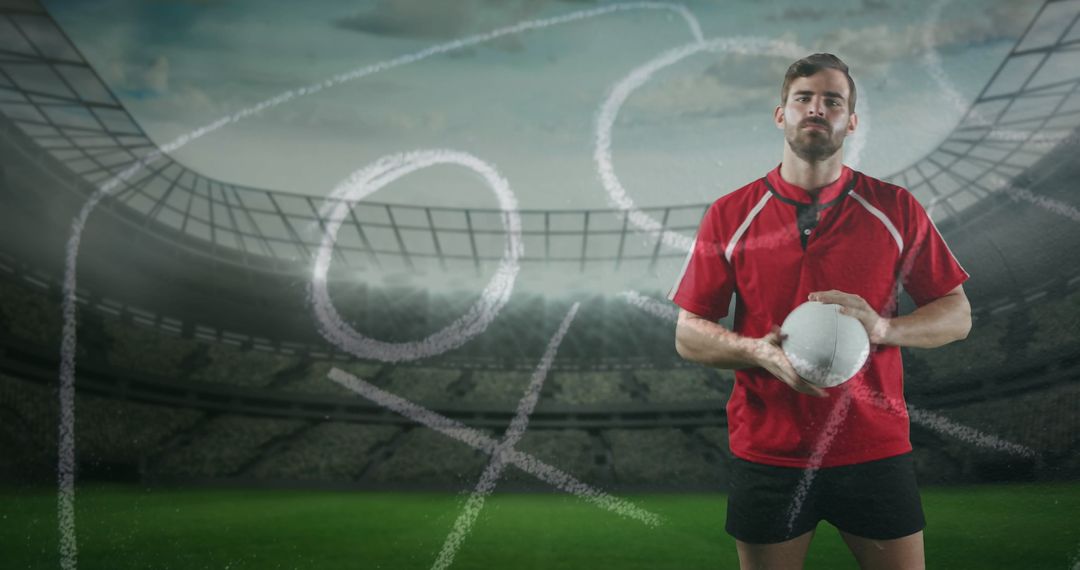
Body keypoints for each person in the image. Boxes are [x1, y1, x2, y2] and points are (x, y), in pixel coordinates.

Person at [668, 53, 971, 570]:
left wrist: (883, 327)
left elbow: (957, 314)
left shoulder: (895, 208)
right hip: (769, 454)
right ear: (780, 114)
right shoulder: (729, 214)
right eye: (803, 98)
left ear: (851, 121)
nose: (816, 109)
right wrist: (756, 351)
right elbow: (688, 334)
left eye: (833, 101)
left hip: (873, 448)